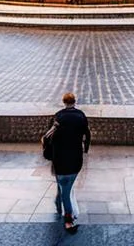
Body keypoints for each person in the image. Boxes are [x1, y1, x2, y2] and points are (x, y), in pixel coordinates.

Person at [48, 92, 91, 234]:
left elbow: (48, 137)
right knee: (67, 189)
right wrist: (86, 148)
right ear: (74, 101)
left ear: (64, 102)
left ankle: (66, 215)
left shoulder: (58, 116)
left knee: (64, 190)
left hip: (59, 160)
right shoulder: (81, 116)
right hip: (75, 159)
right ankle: (68, 219)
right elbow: (87, 134)